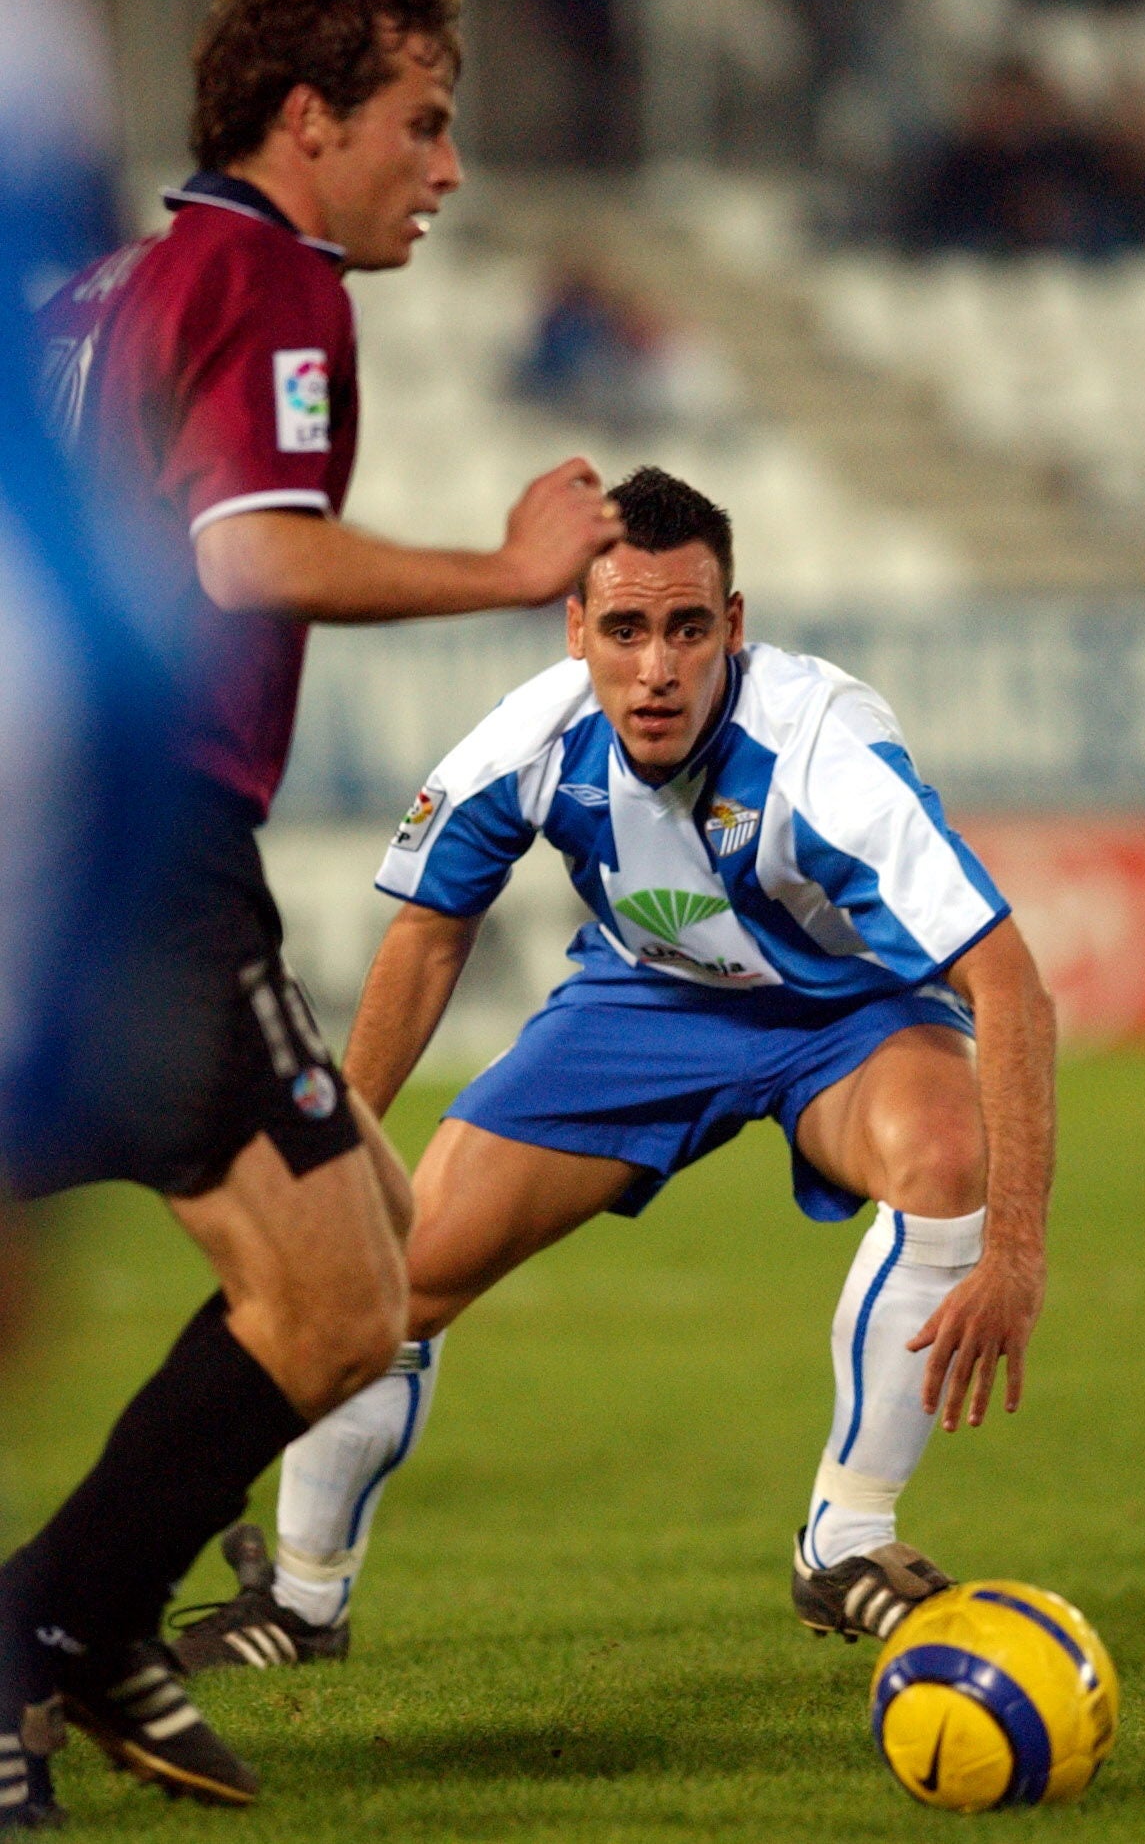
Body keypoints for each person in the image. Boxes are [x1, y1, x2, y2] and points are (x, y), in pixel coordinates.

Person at [0, 0, 621, 1828]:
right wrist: (514, 569)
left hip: (92, 827)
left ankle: (77, 1624)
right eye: (421, 127)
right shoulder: (270, 278)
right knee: (348, 1298)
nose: (443, 171)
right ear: (308, 120)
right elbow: (246, 562)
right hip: (147, 836)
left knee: (361, 1224)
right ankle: (40, 1640)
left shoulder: (115, 275)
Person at [173, 465, 1056, 1678]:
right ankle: (306, 1602)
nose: (657, 666)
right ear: (575, 627)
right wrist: (335, 1155)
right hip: (642, 1002)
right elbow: (429, 931)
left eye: (688, 628)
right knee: (392, 1269)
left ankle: (845, 1539)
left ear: (732, 628)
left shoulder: (823, 754)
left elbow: (1005, 979)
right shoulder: (531, 739)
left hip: (846, 1014)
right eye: (627, 629)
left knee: (947, 1159)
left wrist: (1012, 1246)